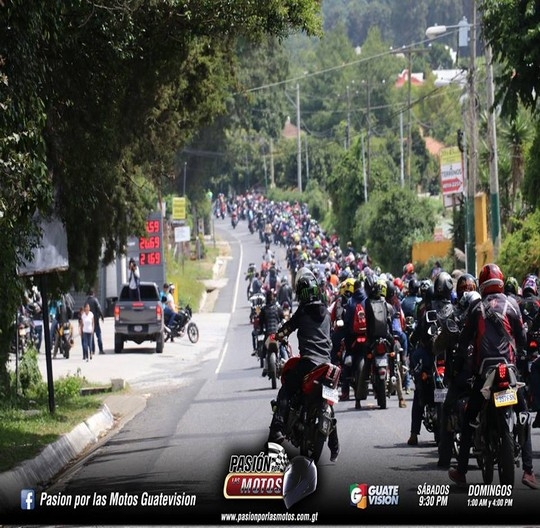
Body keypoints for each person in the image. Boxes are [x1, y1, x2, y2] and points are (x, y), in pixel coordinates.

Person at [448, 263, 533, 488]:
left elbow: (465, 341)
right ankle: (528, 471)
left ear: (482, 284)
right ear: (501, 282)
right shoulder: (513, 305)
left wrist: (457, 367)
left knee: (468, 420)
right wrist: (522, 360)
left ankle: (462, 471)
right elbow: (522, 339)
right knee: (523, 415)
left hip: (484, 374)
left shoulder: (477, 309)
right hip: (509, 372)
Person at [267, 267, 340, 462]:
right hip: (328, 365)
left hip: (308, 363)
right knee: (329, 402)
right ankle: (334, 446)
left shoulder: (303, 311)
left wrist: (275, 337)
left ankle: (277, 429)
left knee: (286, 389)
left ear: (301, 292)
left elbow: (286, 329)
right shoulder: (325, 312)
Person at [259, 289, 285, 375]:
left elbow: (261, 323)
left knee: (264, 349)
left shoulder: (263, 310)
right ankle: (285, 363)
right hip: (277, 334)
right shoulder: (277, 308)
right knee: (282, 347)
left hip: (269, 334)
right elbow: (282, 318)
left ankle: (265, 368)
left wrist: (261, 330)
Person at [86, 289, 105, 354]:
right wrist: (102, 316)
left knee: (91, 336)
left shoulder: (86, 302)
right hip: (95, 321)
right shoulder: (95, 300)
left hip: (89, 321)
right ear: (93, 294)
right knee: (98, 335)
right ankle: (101, 350)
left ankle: (92, 350)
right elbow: (99, 309)